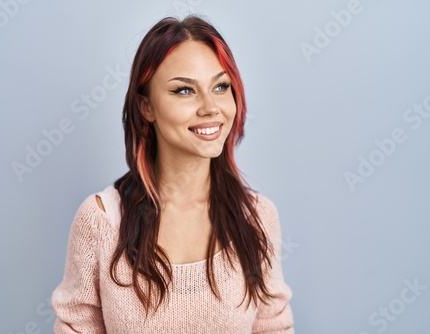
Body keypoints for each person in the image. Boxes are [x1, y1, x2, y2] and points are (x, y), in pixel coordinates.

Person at [51, 15, 294, 333]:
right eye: (184, 91)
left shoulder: (257, 217)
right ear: (145, 107)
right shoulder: (100, 221)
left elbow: (273, 327)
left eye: (221, 86)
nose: (210, 107)